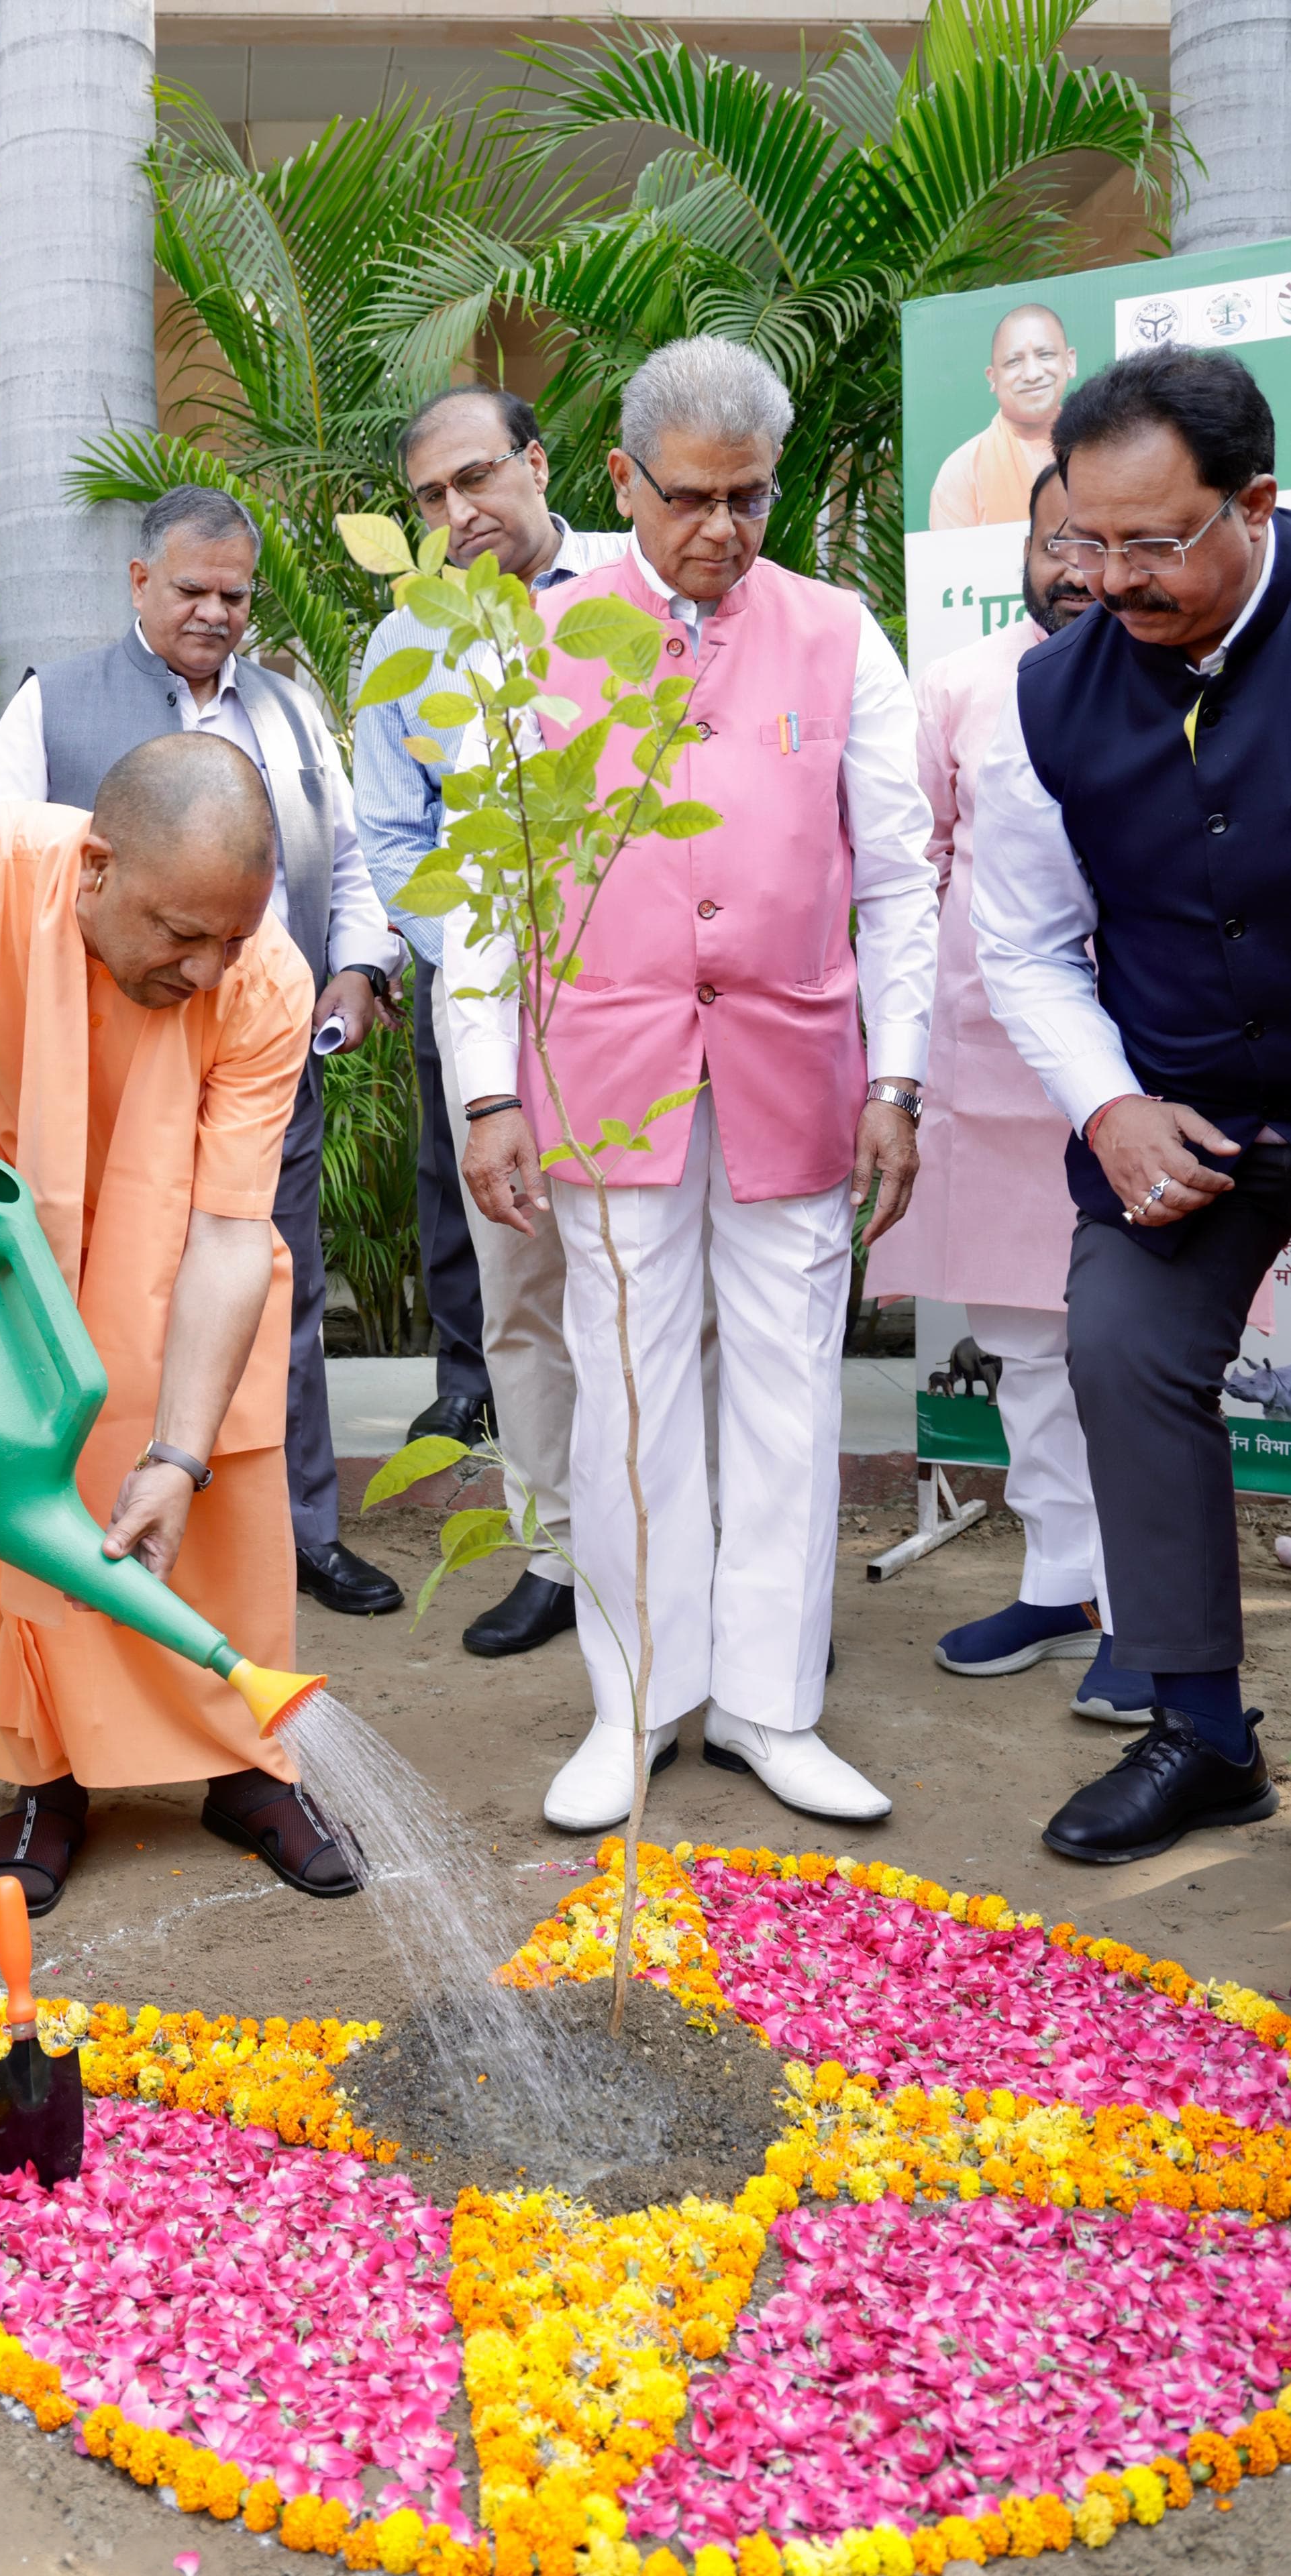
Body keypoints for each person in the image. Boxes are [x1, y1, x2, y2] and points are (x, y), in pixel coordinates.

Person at [450, 337, 938, 1832]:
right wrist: (487, 1094)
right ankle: (638, 1701)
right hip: (603, 1074)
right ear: (618, 481)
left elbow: (902, 878)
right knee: (628, 1386)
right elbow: (488, 889)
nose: (722, 529)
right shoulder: (529, 643)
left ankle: (770, 1709)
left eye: (751, 498)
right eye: (690, 499)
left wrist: (899, 1080)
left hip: (798, 1067)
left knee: (792, 1383)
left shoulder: (843, 633)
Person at [0, 738, 356, 1917]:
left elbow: (227, 1227)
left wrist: (178, 1454)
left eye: (232, 938)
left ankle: (245, 1771)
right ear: (97, 869)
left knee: (218, 1520)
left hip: (182, 1286)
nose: (208, 969)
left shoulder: (263, 980)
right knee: (21, 1532)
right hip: (4, 1288)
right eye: (180, 934)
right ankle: (43, 1781)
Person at [0, 486, 405, 1621]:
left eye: (235, 595)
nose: (215, 614)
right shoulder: (53, 706)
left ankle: (298, 1533)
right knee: (97, 1299)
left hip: (266, 1067)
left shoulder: (291, 713)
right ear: (138, 584)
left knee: (272, 1293)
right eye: (192, 591)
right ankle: (81, 1525)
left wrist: (359, 969)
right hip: (100, 1092)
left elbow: (347, 864)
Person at [974, 344, 1291, 1864]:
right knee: (1114, 1343)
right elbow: (1025, 944)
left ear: (1253, 502)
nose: (1102, 578)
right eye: (1077, 542)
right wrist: (1109, 1110)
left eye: (1147, 543)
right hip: (1178, 1099)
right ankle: (1198, 1732)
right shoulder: (1045, 694)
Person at [867, 469, 1153, 1725]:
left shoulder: (1181, 671)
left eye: (1100, 544)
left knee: (1129, 1351)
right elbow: (914, 859)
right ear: (1023, 551)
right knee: (1031, 1352)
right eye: (1055, 544)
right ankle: (1059, 1581)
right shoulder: (963, 683)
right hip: (988, 1070)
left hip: (1146, 1062)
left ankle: (1148, 1616)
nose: (1076, 569)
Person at [355, 386, 630, 1661]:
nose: (458, 513)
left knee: (659, 1293)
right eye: (430, 497)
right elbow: (395, 833)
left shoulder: (641, 592)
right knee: (518, 1296)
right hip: (488, 1022)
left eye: (477, 479)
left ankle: (698, 1561)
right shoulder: (404, 639)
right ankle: (557, 1554)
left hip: (643, 1013)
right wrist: (471, 960)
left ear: (537, 459)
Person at [929, 305, 1076, 531]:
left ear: (1070, 362)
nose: (1033, 374)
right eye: (1014, 361)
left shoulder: (1099, 452)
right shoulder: (962, 472)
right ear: (993, 378)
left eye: (1045, 355)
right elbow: (954, 564)